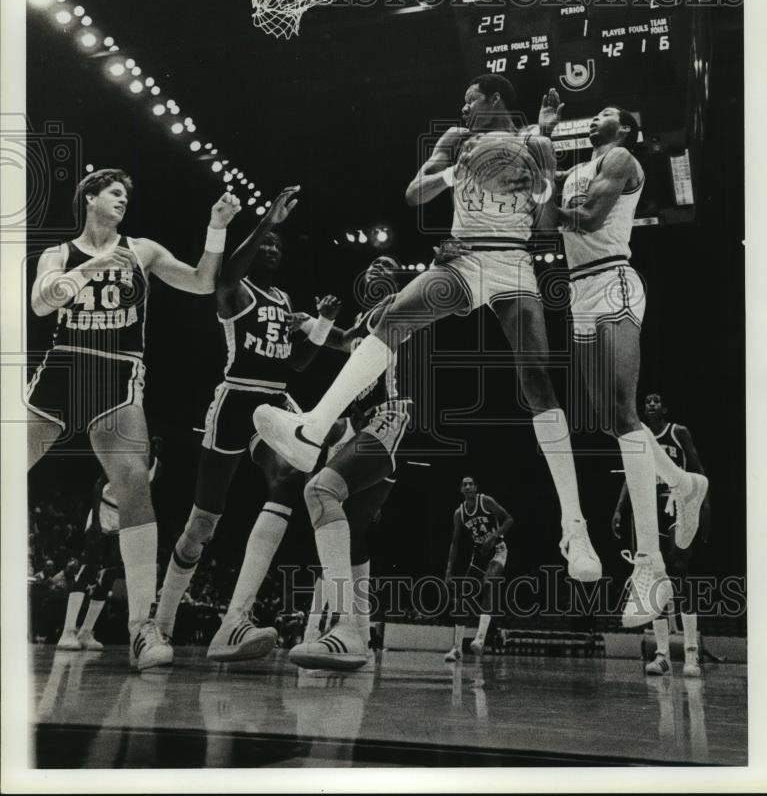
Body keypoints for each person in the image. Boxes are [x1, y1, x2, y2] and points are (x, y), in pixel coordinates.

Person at [255, 76, 601, 585]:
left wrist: (537, 162)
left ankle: (575, 528)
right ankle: (310, 430)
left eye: (470, 99)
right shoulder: (456, 139)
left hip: (513, 264)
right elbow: (415, 192)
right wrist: (453, 173)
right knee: (392, 320)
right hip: (463, 259)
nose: (462, 107)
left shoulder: (536, 141)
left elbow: (547, 215)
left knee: (537, 383)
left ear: (495, 99)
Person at [27, 168, 240, 670]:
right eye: (115, 192)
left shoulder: (142, 249)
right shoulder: (58, 253)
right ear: (90, 198)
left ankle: (141, 627)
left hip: (116, 373)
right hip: (63, 367)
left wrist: (217, 226)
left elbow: (202, 281)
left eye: (128, 193)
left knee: (134, 486)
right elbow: (41, 304)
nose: (124, 200)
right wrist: (96, 268)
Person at [154, 186, 343, 662]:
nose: (274, 249)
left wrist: (320, 324)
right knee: (203, 523)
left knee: (287, 477)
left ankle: (233, 621)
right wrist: (266, 224)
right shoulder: (237, 291)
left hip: (274, 403)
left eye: (279, 245)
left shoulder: (282, 299)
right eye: (266, 245)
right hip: (235, 401)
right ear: (252, 249)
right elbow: (223, 276)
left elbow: (298, 363)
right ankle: (161, 619)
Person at [546, 96, 709, 627]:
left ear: (627, 128)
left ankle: (650, 565)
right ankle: (684, 485)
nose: (596, 117)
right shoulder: (572, 170)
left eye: (607, 113)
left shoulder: (621, 161)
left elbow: (587, 220)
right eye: (594, 115)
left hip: (615, 278)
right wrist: (545, 135)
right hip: (578, 292)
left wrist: (547, 209)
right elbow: (548, 205)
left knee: (621, 407)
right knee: (615, 421)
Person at [286, 255, 409, 671]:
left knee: (320, 490)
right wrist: (310, 322)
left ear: (396, 279)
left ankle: (342, 625)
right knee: (352, 531)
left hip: (388, 416)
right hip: (362, 425)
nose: (377, 266)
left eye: (387, 264)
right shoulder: (363, 322)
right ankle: (358, 634)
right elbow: (343, 340)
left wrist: (439, 268)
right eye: (373, 263)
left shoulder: (401, 305)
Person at [612, 393, 711, 676]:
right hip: (648, 507)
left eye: (656, 401)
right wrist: (619, 508)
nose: (651, 405)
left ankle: (691, 654)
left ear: (665, 407)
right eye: (647, 402)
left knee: (680, 569)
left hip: (675, 503)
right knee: (652, 575)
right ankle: (662, 654)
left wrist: (705, 508)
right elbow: (631, 475)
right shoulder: (637, 434)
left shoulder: (678, 432)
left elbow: (697, 468)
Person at [56, 437, 163, 651]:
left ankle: (86, 631)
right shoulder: (125, 460)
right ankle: (67, 632)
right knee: (90, 567)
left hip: (123, 518)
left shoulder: (157, 467)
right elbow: (98, 485)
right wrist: (95, 521)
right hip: (103, 510)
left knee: (110, 573)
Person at [443, 475, 514, 662]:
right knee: (463, 597)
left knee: (489, 583)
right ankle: (457, 648)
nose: (467, 487)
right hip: (479, 555)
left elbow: (509, 519)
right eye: (464, 484)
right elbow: (455, 544)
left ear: (475, 487)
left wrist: (493, 536)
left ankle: (480, 639)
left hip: (498, 550)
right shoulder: (459, 513)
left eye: (470, 484)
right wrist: (449, 570)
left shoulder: (486, 501)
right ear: (461, 489)